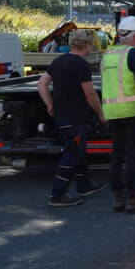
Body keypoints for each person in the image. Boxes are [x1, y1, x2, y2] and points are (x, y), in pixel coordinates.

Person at [37, 29, 108, 207]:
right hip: (74, 117)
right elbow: (90, 93)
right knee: (72, 154)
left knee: (80, 151)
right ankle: (58, 194)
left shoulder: (59, 61)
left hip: (62, 115)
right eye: (92, 43)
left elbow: (42, 83)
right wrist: (101, 114)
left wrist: (49, 103)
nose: (92, 47)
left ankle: (84, 185)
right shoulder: (81, 65)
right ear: (87, 45)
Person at [100, 16, 135, 213]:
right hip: (134, 111)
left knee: (117, 156)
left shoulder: (108, 54)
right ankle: (134, 198)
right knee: (132, 156)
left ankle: (118, 197)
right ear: (134, 35)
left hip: (113, 111)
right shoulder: (134, 54)